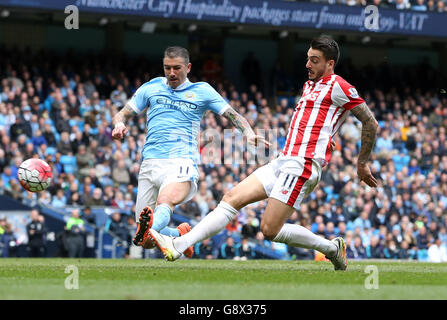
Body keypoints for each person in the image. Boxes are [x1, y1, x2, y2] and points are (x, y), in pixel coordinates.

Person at [149, 35, 378, 271]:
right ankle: (178, 245)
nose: (307, 65)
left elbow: (370, 122)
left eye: (315, 60)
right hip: (284, 159)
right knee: (231, 198)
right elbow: (323, 122)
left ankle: (331, 249)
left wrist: (361, 164)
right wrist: (327, 137)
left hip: (303, 164)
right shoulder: (310, 85)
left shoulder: (339, 85)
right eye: (308, 59)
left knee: (269, 230)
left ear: (330, 64)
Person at [111, 46, 268, 258]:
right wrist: (119, 124)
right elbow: (123, 113)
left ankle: (153, 227)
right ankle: (179, 234)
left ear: (188, 67)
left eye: (177, 68)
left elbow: (233, 114)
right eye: (167, 68)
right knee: (147, 241)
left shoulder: (202, 90)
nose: (172, 73)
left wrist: (248, 133)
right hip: (149, 162)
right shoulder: (152, 87)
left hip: (180, 160)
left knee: (164, 202)